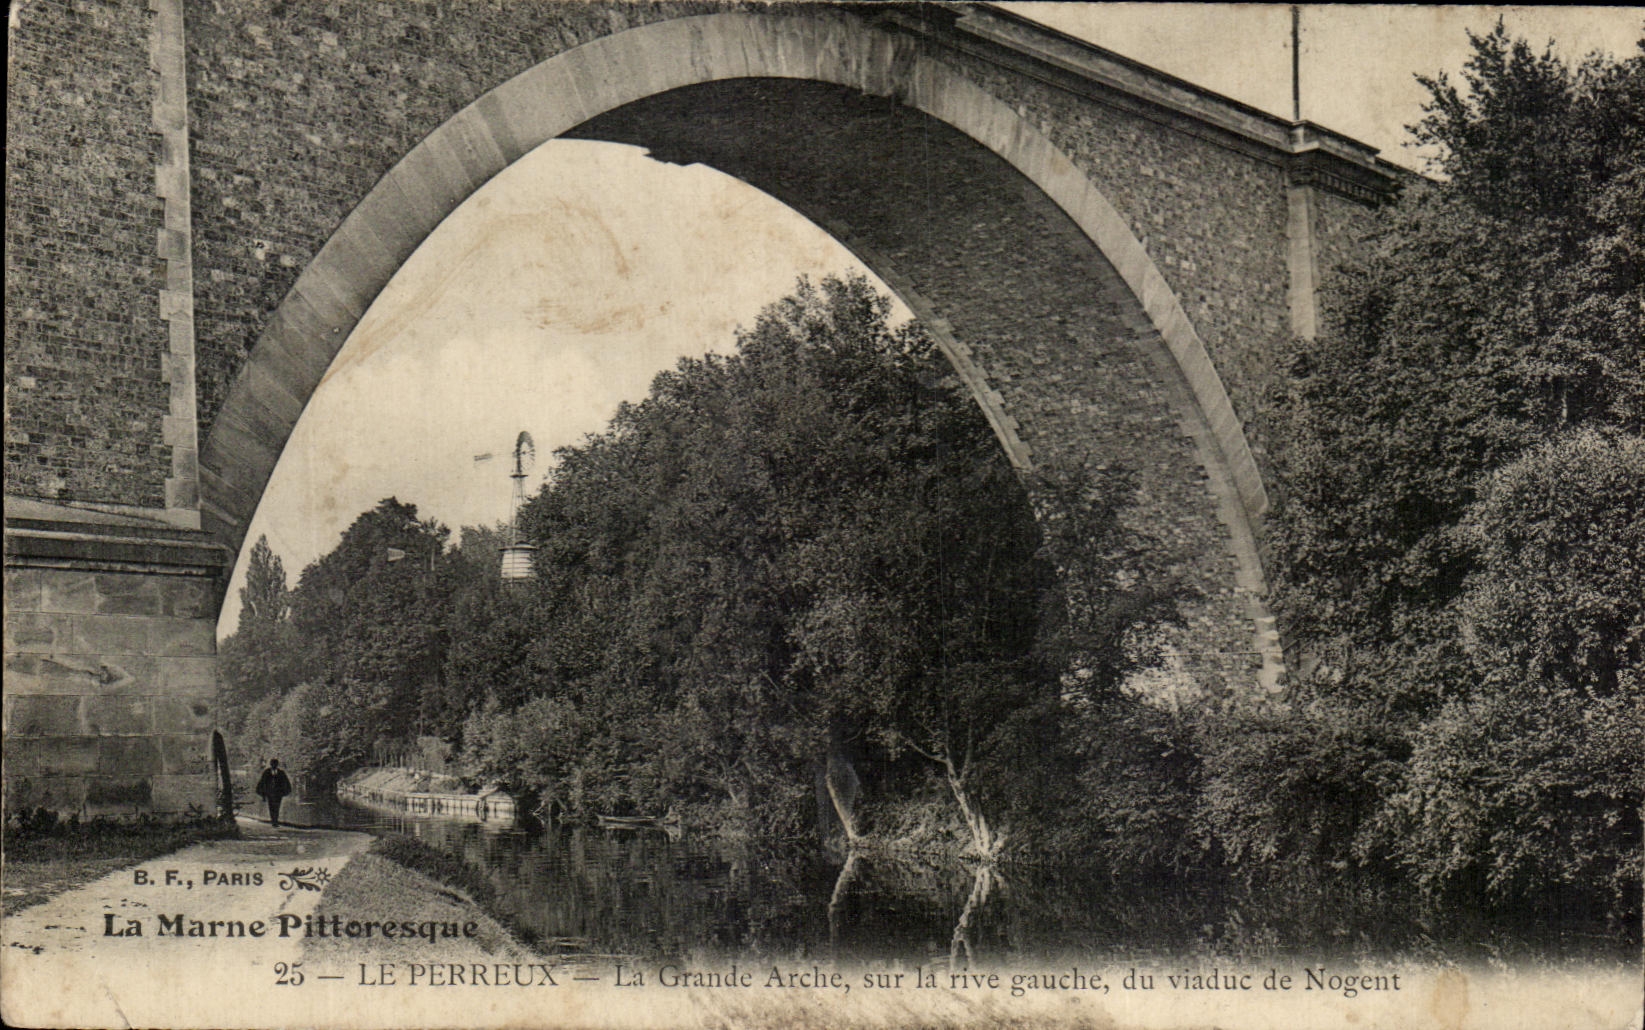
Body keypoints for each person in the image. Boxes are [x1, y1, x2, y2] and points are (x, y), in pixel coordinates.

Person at [255, 758, 293, 828]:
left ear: (277, 765)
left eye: (275, 764)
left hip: (278, 793)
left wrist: (284, 791)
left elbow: (285, 782)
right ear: (271, 764)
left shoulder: (281, 773)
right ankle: (274, 821)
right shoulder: (267, 772)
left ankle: (275, 821)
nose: (274, 765)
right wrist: (263, 794)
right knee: (271, 807)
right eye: (272, 764)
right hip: (270, 793)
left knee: (277, 807)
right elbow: (263, 782)